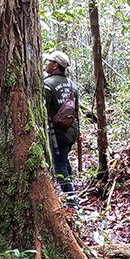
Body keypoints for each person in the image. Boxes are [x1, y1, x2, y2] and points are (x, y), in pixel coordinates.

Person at [43, 50, 78, 196]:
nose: (46, 63)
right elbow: (77, 111)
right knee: (63, 159)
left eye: (49, 61)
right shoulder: (73, 85)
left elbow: (43, 110)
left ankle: (71, 200)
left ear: (55, 66)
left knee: (59, 167)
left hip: (58, 133)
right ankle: (72, 189)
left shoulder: (47, 85)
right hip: (72, 132)